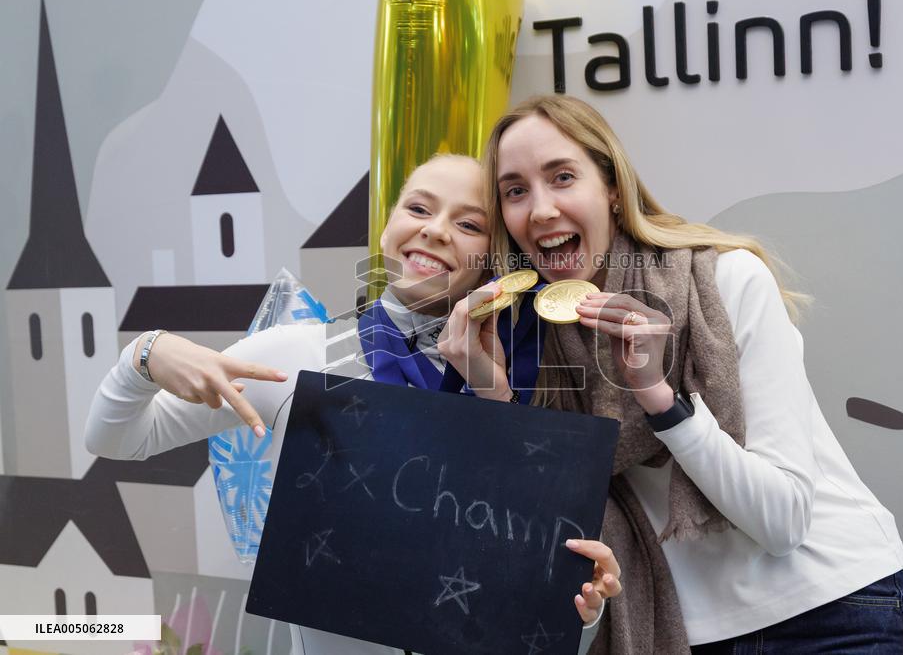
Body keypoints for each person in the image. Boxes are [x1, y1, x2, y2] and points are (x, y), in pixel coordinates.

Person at [438, 96, 903, 654]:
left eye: (563, 177)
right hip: (684, 633)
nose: (542, 209)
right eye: (515, 191)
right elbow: (545, 540)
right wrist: (495, 400)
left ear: (613, 189)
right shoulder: (521, 339)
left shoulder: (723, 280)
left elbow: (783, 523)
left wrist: (660, 399)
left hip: (835, 612)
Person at [85, 154, 621, 655]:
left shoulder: (521, 390)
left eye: (468, 224)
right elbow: (116, 439)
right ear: (387, 227)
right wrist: (146, 354)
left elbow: (542, 631)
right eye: (419, 208)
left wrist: (582, 611)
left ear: (496, 261)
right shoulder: (298, 353)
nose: (435, 229)